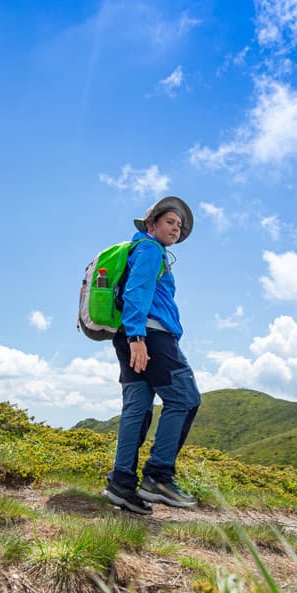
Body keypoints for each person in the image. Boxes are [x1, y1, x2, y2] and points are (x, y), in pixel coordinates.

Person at [102, 196, 202, 515]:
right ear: (152, 225)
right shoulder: (149, 249)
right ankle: (158, 477)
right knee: (185, 399)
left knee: (138, 407)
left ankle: (121, 482)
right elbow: (137, 291)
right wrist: (138, 337)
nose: (176, 227)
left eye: (179, 225)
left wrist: (131, 335)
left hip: (131, 336)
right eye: (170, 222)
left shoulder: (142, 249)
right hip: (150, 336)